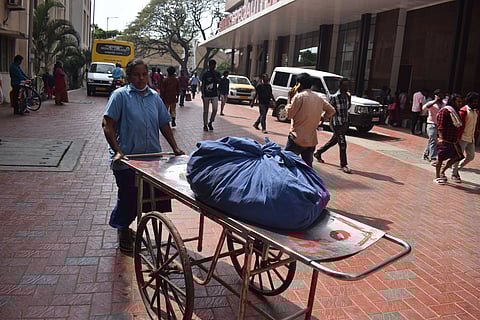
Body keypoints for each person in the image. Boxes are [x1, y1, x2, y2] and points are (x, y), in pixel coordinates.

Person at [102, 59, 184, 252]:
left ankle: (146, 226)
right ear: (129, 76)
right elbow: (107, 125)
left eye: (144, 74)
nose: (141, 78)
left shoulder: (154, 97)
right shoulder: (120, 96)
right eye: (136, 75)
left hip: (151, 159)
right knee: (129, 197)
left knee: (153, 198)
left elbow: (164, 123)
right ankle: (122, 229)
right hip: (127, 160)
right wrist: (118, 151)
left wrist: (175, 147)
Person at [285, 73, 335, 167]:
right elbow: (331, 110)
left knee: (286, 165)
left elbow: (289, 115)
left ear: (299, 84)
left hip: (296, 139)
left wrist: (289, 99)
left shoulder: (299, 97)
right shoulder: (319, 98)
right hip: (311, 141)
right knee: (308, 168)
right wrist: (322, 118)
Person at [313, 78, 352, 173]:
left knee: (334, 141)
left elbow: (347, 107)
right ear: (340, 86)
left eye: (348, 85)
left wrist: (349, 99)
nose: (346, 87)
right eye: (344, 85)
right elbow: (328, 109)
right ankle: (344, 164)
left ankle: (318, 153)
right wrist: (322, 121)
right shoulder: (334, 97)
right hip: (336, 123)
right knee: (342, 143)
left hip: (344, 123)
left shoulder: (347, 96)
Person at [433, 93, 464, 185]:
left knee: (459, 156)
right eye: (458, 101)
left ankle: (443, 170)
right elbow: (440, 125)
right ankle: (437, 176)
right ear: (453, 101)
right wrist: (441, 138)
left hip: (453, 140)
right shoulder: (445, 111)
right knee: (441, 158)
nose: (460, 103)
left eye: (461, 102)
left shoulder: (455, 111)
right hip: (445, 139)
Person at [450, 91, 479, 183]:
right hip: (462, 138)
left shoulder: (476, 112)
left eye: (476, 102)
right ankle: (454, 174)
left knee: (471, 156)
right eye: (474, 101)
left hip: (471, 138)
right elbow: (459, 126)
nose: (475, 103)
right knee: (459, 156)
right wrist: (457, 138)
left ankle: (457, 168)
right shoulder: (463, 111)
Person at [422, 89, 445, 165]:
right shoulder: (431, 103)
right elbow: (424, 108)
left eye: (442, 94)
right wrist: (435, 101)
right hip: (431, 124)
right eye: (439, 95)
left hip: (439, 125)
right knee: (433, 141)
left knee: (432, 140)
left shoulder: (444, 103)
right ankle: (433, 158)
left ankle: (425, 154)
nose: (441, 96)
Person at [201, 59, 221, 131]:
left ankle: (211, 122)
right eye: (211, 65)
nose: (212, 66)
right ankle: (205, 124)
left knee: (215, 109)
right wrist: (202, 93)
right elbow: (203, 84)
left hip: (214, 94)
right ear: (209, 65)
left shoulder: (217, 73)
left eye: (214, 65)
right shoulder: (205, 74)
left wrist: (214, 75)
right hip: (206, 94)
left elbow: (219, 82)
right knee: (205, 110)